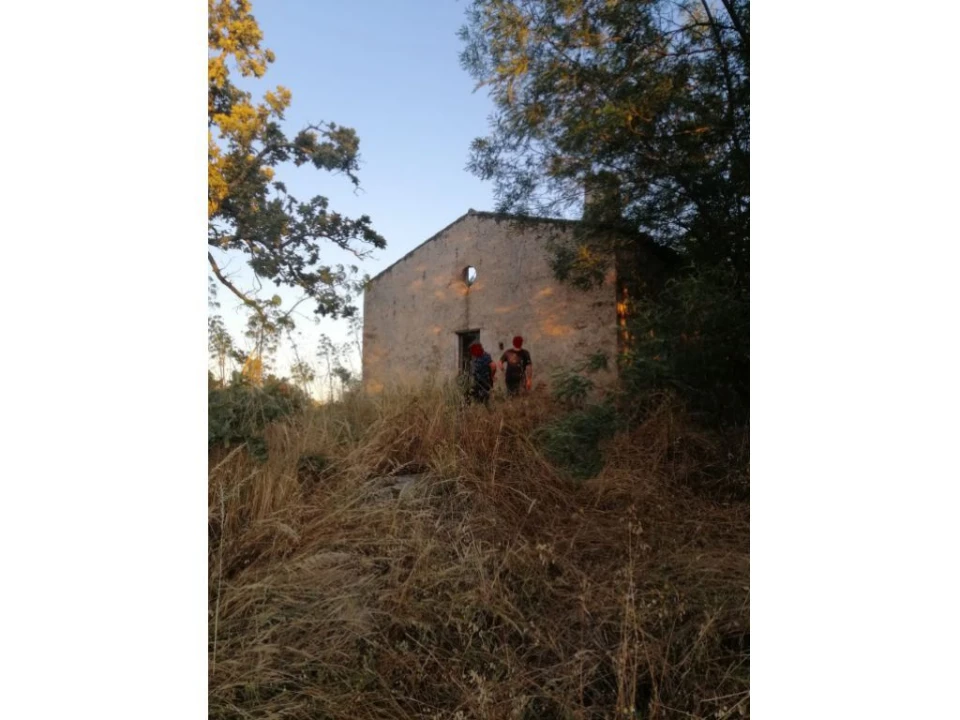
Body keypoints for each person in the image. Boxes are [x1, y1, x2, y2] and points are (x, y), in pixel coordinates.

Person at [468, 341, 497, 405]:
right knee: (476, 398)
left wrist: (492, 376)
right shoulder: (478, 356)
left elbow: (493, 366)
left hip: (484, 382)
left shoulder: (485, 356)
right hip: (478, 382)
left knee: (484, 399)